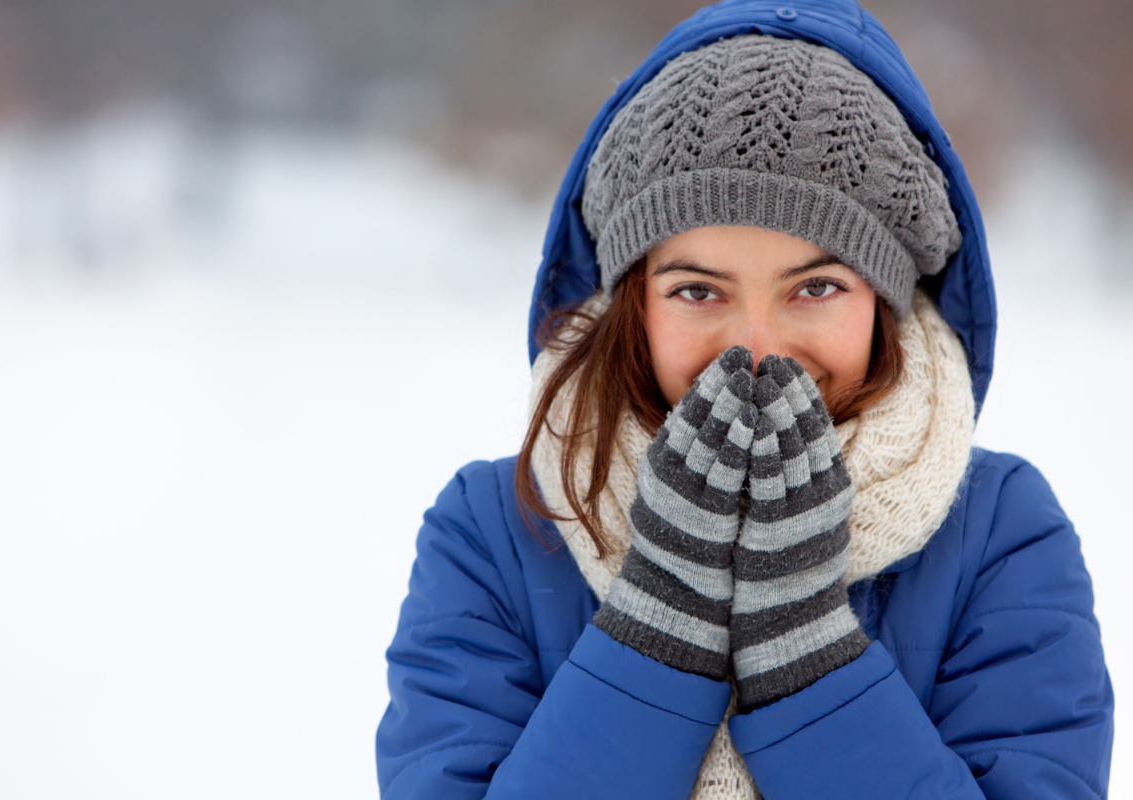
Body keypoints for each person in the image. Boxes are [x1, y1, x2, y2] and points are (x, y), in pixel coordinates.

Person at [375, 1, 1115, 797]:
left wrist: (809, 660)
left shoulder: (999, 533)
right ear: (633, 305)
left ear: (885, 300)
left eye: (816, 288)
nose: (758, 350)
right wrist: (658, 631)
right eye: (698, 291)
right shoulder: (497, 532)